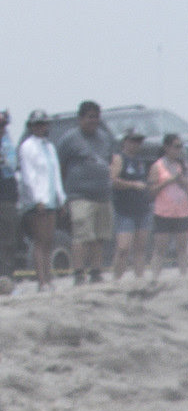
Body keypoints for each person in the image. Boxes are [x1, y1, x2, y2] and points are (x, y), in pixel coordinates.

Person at [57, 103, 114, 285]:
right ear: (80, 118)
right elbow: (61, 167)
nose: (93, 121)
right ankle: (79, 273)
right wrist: (64, 194)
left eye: (96, 117)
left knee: (99, 236)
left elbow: (111, 161)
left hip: (102, 196)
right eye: (89, 117)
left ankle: (96, 272)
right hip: (79, 195)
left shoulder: (105, 138)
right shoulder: (69, 139)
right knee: (81, 236)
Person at [17, 114, 62, 291]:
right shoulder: (27, 146)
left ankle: (49, 277)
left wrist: (61, 197)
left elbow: (55, 173)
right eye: (37, 124)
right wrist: (37, 199)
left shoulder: (49, 147)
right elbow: (28, 176)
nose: (41, 127)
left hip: (51, 198)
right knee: (40, 240)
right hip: (38, 200)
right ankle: (41, 280)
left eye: (43, 124)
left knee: (50, 239)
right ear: (32, 126)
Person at [146, 133, 188, 276]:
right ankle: (154, 277)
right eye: (176, 146)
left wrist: (181, 180)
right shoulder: (157, 166)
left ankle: (184, 276)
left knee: (182, 248)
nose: (179, 150)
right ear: (167, 147)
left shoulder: (183, 165)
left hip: (182, 211)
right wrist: (167, 181)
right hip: (163, 212)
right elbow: (151, 191)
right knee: (160, 248)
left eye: (180, 146)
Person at [108, 130, 151, 278]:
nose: (136, 145)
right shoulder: (119, 158)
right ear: (125, 141)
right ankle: (116, 279)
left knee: (140, 248)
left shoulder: (139, 161)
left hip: (141, 208)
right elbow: (112, 180)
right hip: (124, 209)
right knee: (123, 248)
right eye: (133, 141)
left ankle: (140, 278)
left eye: (138, 142)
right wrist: (133, 185)